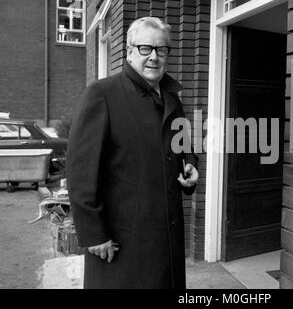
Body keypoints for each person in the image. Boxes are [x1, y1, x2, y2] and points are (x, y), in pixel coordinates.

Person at [66, 17, 199, 289]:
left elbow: (184, 145)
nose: (154, 57)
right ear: (128, 51)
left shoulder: (172, 98)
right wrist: (93, 234)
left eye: (161, 50)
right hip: (121, 242)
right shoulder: (102, 94)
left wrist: (190, 164)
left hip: (166, 237)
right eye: (145, 48)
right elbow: (80, 172)